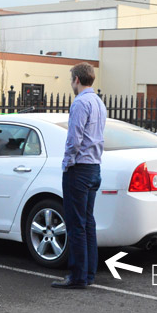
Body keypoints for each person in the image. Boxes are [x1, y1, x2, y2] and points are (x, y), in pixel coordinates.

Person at [52, 62, 107, 289]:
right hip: (94, 168)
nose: (71, 83)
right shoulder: (99, 103)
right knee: (88, 223)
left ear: (76, 79)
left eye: (71, 79)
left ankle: (77, 277)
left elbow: (74, 139)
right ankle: (88, 274)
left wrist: (67, 163)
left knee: (75, 224)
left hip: (80, 169)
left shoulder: (80, 103)